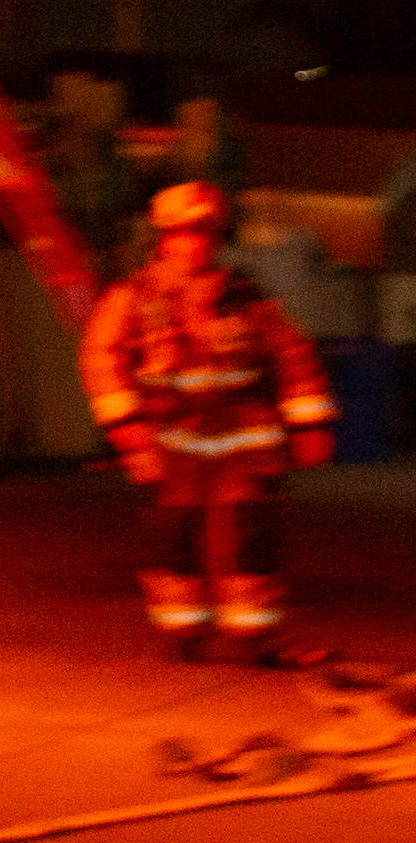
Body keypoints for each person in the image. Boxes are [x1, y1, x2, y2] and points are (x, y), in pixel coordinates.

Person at [77, 179, 335, 663]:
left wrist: (310, 424)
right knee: (174, 535)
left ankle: (253, 635)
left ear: (216, 237)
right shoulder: (135, 297)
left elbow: (292, 355)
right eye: (182, 232)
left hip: (243, 442)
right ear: (163, 238)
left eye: (203, 232)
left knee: (249, 536)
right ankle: (184, 631)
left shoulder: (243, 295)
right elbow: (100, 357)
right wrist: (125, 424)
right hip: (171, 440)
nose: (194, 243)